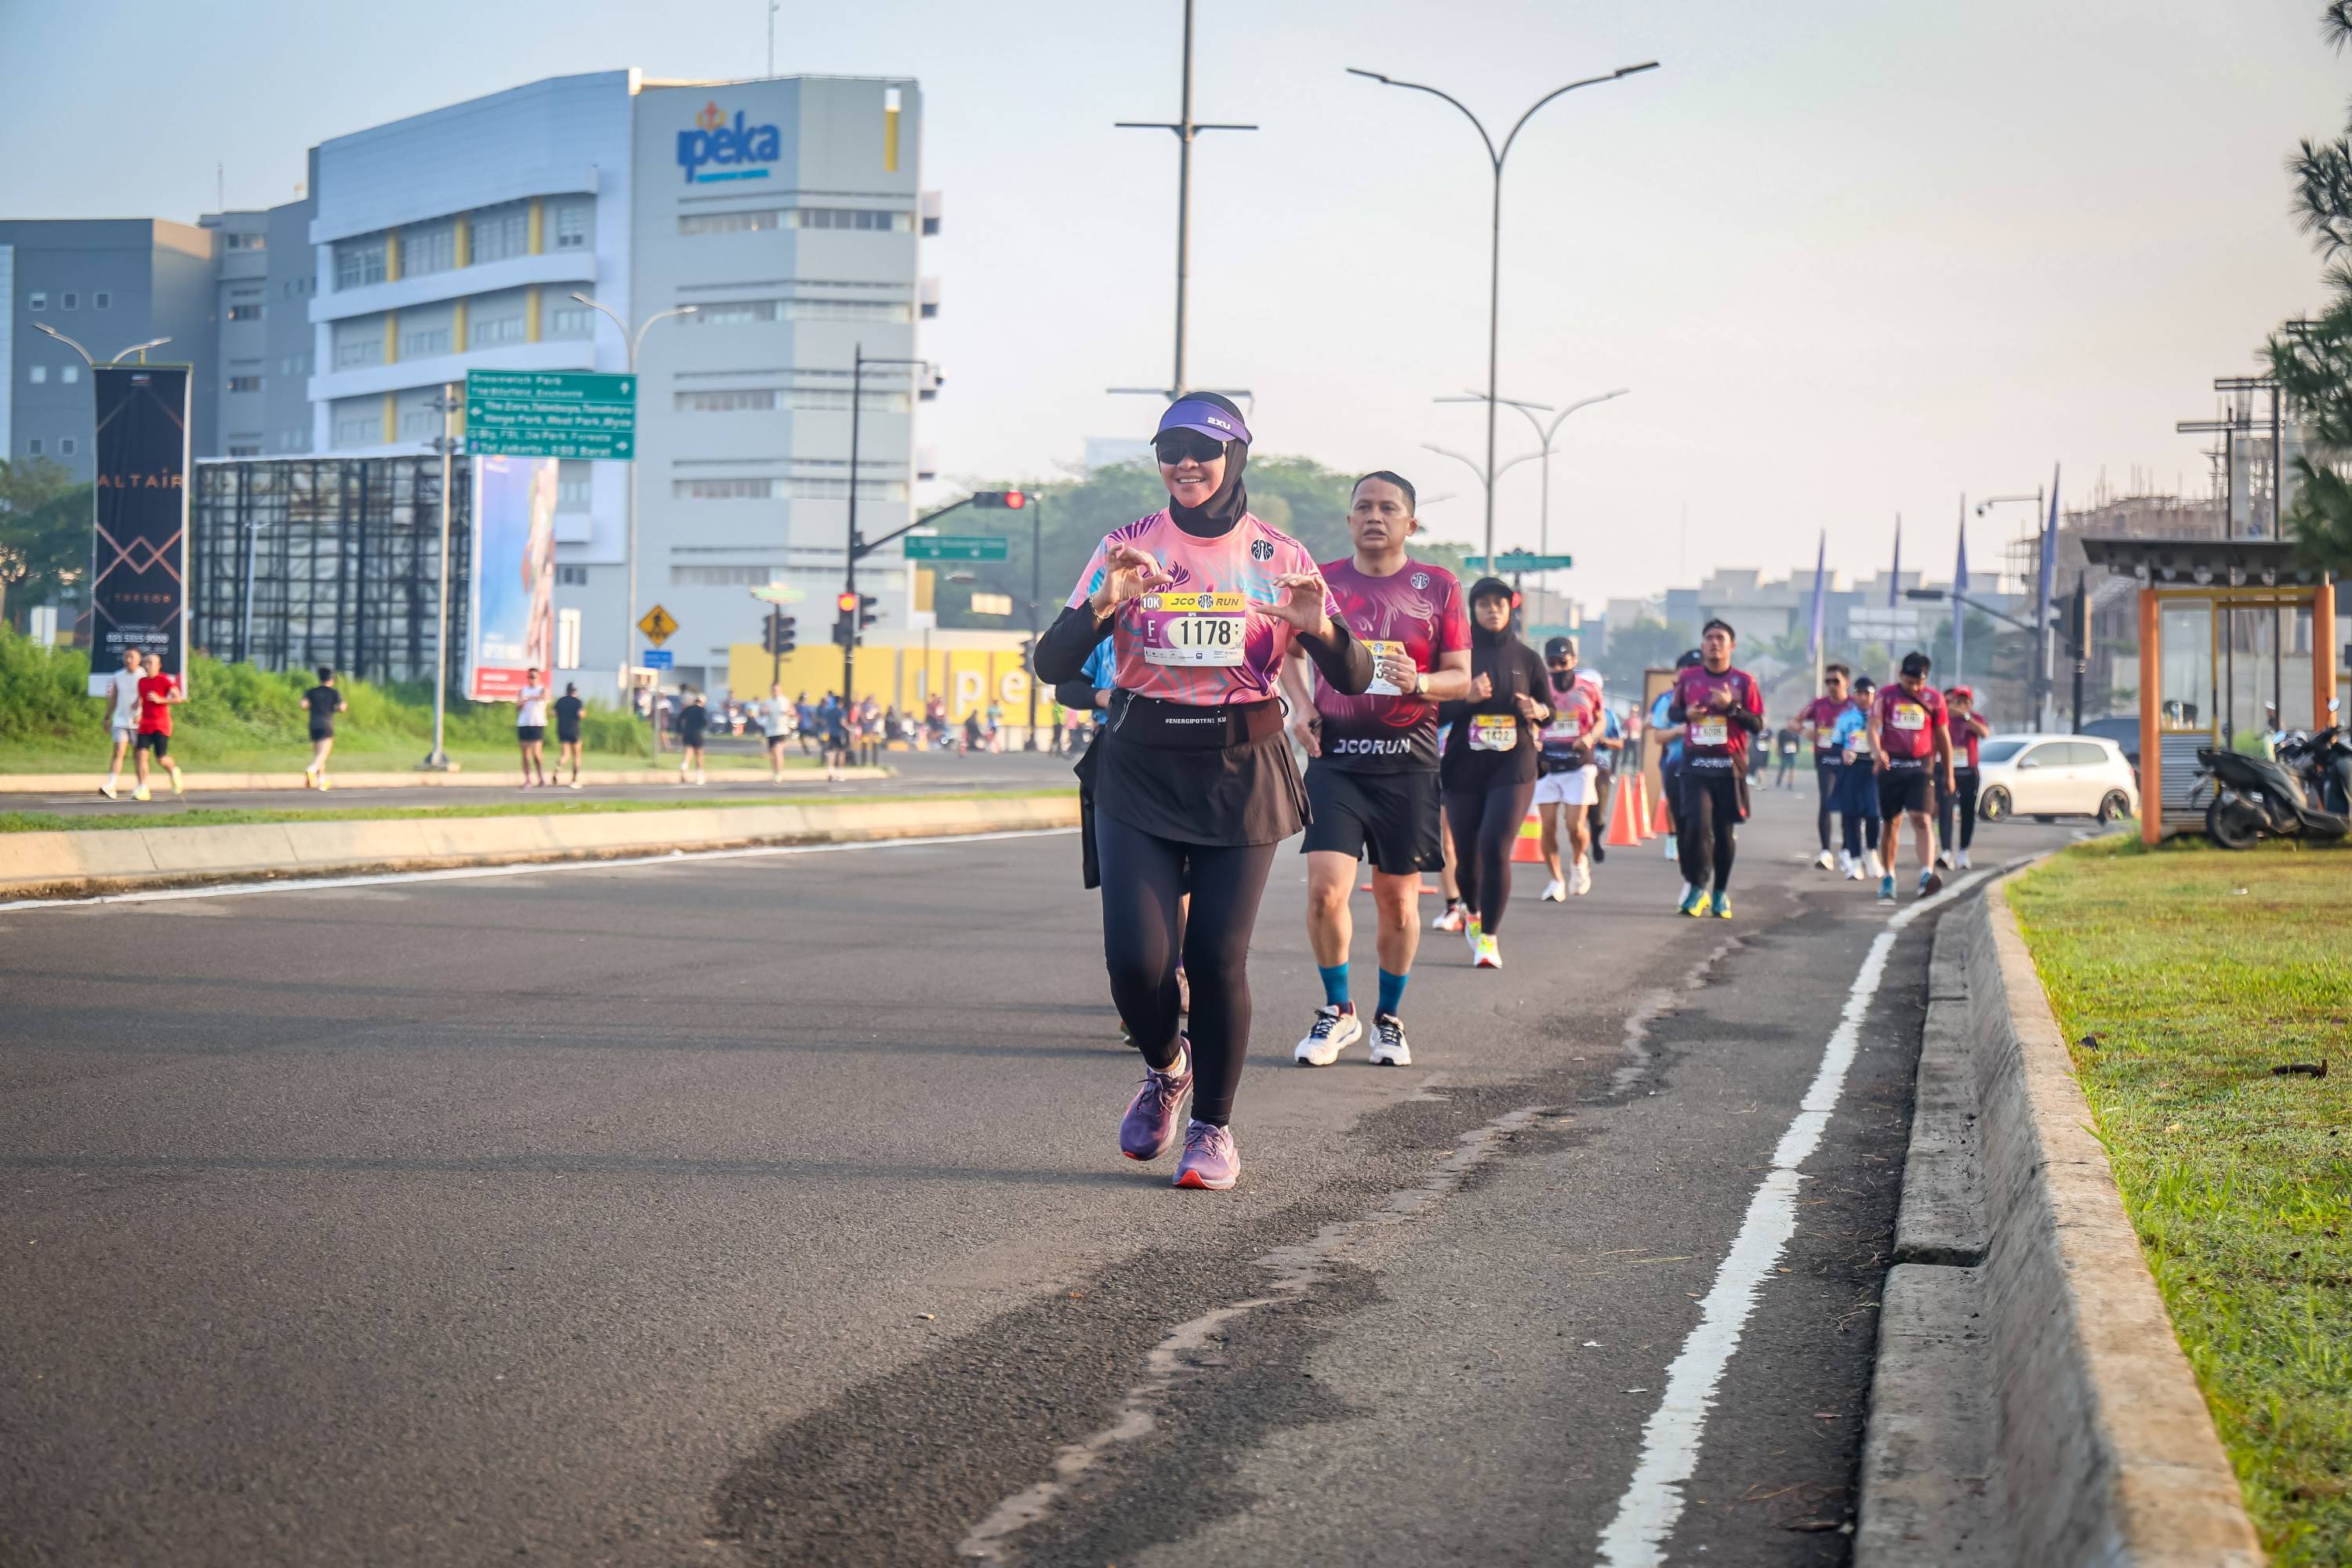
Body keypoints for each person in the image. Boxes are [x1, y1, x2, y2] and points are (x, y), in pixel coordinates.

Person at [1033, 392, 1370, 1191]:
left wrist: (1320, 627)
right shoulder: (1127, 546)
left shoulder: (1279, 555)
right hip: (1139, 767)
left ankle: (1213, 1128)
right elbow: (1051, 664)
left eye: (1203, 449)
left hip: (1240, 770)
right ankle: (1166, 1067)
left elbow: (1355, 675)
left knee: (1216, 958)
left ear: (1235, 457)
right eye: (1170, 449)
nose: (1185, 463)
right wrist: (1105, 604)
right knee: (1134, 962)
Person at [1282, 470, 1474, 1069]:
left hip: (1408, 766)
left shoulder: (1438, 586)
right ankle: (1338, 1010)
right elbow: (1288, 653)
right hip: (1335, 762)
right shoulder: (1323, 584)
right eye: (1363, 506)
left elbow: (1461, 678)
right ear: (1348, 520)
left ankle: (1388, 1020)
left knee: (1398, 903)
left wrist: (1422, 681)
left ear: (1410, 523)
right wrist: (1302, 707)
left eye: (1388, 508)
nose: (1374, 516)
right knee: (1325, 891)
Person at [1437, 578, 1549, 969]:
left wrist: (1538, 710)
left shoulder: (1528, 658)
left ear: (1510, 608)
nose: (1492, 610)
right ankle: (1471, 909)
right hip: (1464, 766)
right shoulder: (1458, 657)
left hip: (1513, 764)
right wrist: (1465, 698)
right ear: (1473, 610)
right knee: (1467, 856)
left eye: (1499, 603)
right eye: (1483, 603)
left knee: (1495, 845)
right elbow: (1434, 710)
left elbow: (1548, 709)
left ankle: (1489, 938)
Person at [1668, 619, 1766, 918]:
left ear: (1731, 645)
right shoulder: (1689, 678)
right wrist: (1687, 714)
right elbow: (1673, 713)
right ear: (1702, 644)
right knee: (1696, 825)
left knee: (1724, 832)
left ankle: (1721, 892)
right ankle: (1698, 888)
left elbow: (1757, 724)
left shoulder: (1744, 681)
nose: (1714, 643)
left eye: (1720, 638)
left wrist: (1731, 708)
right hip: (1695, 764)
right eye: (1709, 637)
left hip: (1729, 766)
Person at [1870, 651, 1955, 902]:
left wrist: (1949, 773)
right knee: (1891, 822)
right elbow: (1872, 726)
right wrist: (1877, 751)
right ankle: (1888, 876)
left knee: (1922, 818)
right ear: (1901, 676)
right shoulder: (1886, 696)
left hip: (1921, 766)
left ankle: (1927, 874)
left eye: (1919, 683)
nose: (1915, 688)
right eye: (1909, 683)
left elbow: (1943, 738)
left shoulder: (1935, 699)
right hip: (1891, 766)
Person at [1532, 635, 1604, 901]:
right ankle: (1555, 880)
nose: (1558, 668)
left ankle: (1578, 861)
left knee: (1575, 827)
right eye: (1552, 663)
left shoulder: (1588, 689)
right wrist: (1533, 740)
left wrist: (1590, 737)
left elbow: (1601, 719)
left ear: (1574, 660)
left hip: (1578, 764)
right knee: (1548, 826)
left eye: (1563, 662)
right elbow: (1529, 718)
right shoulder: (1539, 687)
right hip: (1547, 764)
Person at [1648, 652, 1700, 895]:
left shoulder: (1713, 698)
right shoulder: (1667, 699)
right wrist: (1679, 730)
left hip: (1707, 763)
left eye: (1696, 668)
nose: (1691, 674)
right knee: (1675, 805)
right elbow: (1657, 733)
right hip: (1675, 760)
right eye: (1686, 669)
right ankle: (1673, 838)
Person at [1798, 666, 1855, 870]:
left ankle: (1847, 850)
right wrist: (1805, 731)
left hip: (1849, 761)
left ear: (1846, 682)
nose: (1831, 686)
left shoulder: (1854, 705)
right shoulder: (1818, 704)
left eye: (1835, 681)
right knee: (1827, 801)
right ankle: (1825, 852)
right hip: (1825, 759)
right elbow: (1794, 722)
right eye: (1828, 681)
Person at [1828, 676, 1883, 880]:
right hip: (1851, 770)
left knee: (1873, 814)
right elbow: (1835, 745)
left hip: (1873, 770)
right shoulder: (1846, 718)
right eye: (1859, 693)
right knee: (1850, 816)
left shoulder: (1881, 718)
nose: (1863, 698)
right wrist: (1842, 752)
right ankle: (1855, 860)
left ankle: (1872, 851)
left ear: (1874, 695)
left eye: (1867, 694)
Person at [1939, 686, 1990, 869]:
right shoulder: (1945, 718)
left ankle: (1963, 851)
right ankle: (1946, 851)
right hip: (1948, 771)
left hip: (1969, 771)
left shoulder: (1974, 718)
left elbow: (1984, 733)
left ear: (1971, 704)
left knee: (1968, 812)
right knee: (1945, 811)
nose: (1960, 705)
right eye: (1957, 701)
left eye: (1964, 702)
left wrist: (1966, 717)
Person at [131, 652, 185, 801]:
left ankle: (174, 771)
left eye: (150, 663)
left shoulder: (164, 680)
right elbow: (141, 699)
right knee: (141, 754)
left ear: (158, 666)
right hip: (145, 724)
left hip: (161, 724)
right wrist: (137, 710)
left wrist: (160, 700)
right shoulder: (141, 681)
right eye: (145, 663)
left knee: (161, 758)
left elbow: (178, 698)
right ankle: (143, 788)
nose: (147, 666)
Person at [97, 646, 145, 800]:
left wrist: (142, 714)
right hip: (120, 720)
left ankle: (141, 786)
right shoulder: (118, 676)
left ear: (139, 660)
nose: (128, 660)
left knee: (139, 755)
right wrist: (107, 717)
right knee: (118, 751)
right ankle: (111, 785)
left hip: (138, 722)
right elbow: (114, 698)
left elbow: (146, 697)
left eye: (132, 657)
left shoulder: (144, 676)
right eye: (126, 657)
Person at [1584, 700, 1627, 864]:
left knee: (1598, 815)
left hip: (1601, 771)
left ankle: (1595, 840)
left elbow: (1620, 742)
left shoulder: (1609, 715)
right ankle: (1580, 852)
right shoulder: (1575, 711)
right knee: (1578, 814)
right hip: (1578, 768)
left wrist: (1604, 740)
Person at [301, 667, 346, 789]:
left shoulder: (311, 691)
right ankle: (311, 769)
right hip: (326, 725)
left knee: (318, 755)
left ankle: (322, 782)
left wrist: (312, 707)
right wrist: (337, 708)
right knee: (323, 754)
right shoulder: (334, 693)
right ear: (331, 680)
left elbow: (303, 705)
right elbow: (342, 708)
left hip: (313, 725)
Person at [515, 668, 550, 788]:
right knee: (525, 755)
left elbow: (542, 697)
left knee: (537, 754)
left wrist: (529, 698)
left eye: (534, 677)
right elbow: (518, 706)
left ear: (538, 678)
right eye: (530, 677)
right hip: (524, 724)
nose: (532, 680)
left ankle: (541, 776)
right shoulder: (523, 690)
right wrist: (521, 703)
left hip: (537, 724)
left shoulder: (542, 689)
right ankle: (527, 779)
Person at [553, 682, 586, 789]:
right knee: (577, 756)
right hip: (574, 730)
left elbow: (553, 713)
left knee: (565, 754)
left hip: (562, 730)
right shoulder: (578, 702)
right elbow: (581, 714)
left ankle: (558, 766)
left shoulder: (560, 701)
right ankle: (574, 780)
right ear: (575, 691)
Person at [761, 681, 795, 782]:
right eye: (773, 690)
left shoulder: (785, 701)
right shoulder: (768, 701)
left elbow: (793, 712)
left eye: (776, 690)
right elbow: (762, 712)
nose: (775, 692)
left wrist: (788, 712)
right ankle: (775, 772)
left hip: (782, 730)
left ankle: (779, 773)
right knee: (773, 754)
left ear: (780, 690)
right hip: (770, 730)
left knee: (778, 751)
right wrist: (764, 711)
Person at [676, 689, 710, 783]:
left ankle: (683, 769)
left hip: (687, 733)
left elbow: (679, 719)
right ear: (703, 702)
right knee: (699, 754)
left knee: (688, 752)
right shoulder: (702, 710)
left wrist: (680, 731)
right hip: (697, 733)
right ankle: (699, 777)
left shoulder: (688, 709)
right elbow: (704, 722)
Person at [1773, 721, 1800, 789]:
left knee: (1792, 768)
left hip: (1792, 753)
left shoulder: (1795, 732)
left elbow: (1797, 742)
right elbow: (1779, 742)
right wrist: (1778, 751)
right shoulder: (1782, 732)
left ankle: (1790, 783)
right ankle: (1779, 778)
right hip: (1784, 753)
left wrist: (1797, 750)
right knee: (1783, 768)